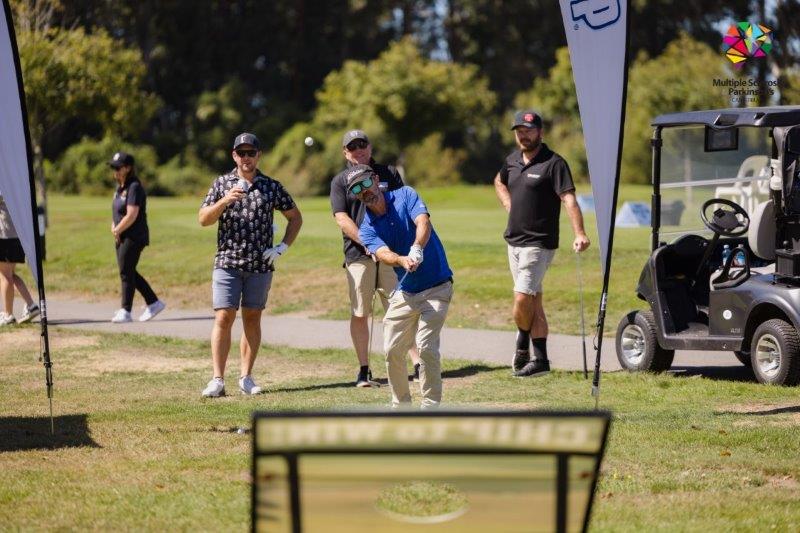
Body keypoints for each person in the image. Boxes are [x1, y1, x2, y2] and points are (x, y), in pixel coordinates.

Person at [198, 132, 302, 397]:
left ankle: (246, 377)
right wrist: (225, 200)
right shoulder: (222, 183)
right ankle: (217, 379)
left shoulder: (271, 186)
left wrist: (282, 247)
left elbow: (295, 217)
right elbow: (203, 219)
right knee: (224, 316)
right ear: (234, 156)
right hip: (227, 261)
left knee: (252, 318)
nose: (246, 157)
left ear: (258, 155)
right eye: (241, 153)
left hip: (260, 264)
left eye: (251, 153)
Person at [493, 110, 590, 377]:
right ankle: (542, 361)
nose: (523, 135)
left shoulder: (554, 163)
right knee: (533, 302)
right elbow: (499, 181)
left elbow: (568, 199)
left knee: (522, 296)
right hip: (513, 241)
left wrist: (580, 233)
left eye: (528, 130)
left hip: (539, 243)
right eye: (519, 131)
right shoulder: (512, 160)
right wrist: (509, 205)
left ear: (540, 132)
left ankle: (522, 345)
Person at [351, 164, 453, 409]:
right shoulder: (366, 227)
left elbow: (423, 222)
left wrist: (417, 247)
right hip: (406, 291)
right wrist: (401, 260)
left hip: (437, 287)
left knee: (426, 347)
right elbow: (383, 253)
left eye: (367, 183)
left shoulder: (405, 195)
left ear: (376, 179)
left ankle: (430, 407)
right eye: (357, 189)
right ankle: (401, 407)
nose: (364, 191)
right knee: (392, 349)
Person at [330, 129, 421, 387]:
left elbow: (402, 205)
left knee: (400, 308)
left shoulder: (388, 172)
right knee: (361, 312)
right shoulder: (340, 181)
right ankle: (364, 369)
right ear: (345, 153)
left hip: (392, 253)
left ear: (370, 147)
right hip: (358, 254)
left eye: (362, 144)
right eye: (352, 147)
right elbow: (341, 218)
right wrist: (368, 242)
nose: (358, 150)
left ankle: (417, 363)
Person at [109, 151, 166, 323]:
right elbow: (117, 212)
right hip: (122, 235)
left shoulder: (134, 187)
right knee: (128, 271)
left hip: (134, 236)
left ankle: (126, 311)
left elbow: (132, 214)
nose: (115, 170)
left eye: (118, 167)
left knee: (126, 272)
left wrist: (117, 230)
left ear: (128, 168)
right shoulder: (120, 188)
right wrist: (115, 227)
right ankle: (153, 302)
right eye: (113, 167)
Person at [0, 194, 39, 326]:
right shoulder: (16, 187)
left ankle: (8, 315)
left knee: (5, 276)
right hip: (17, 235)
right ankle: (31, 305)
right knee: (10, 274)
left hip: (5, 235)